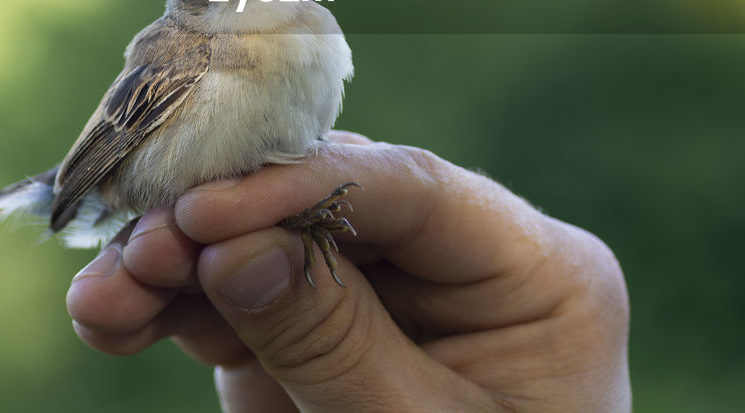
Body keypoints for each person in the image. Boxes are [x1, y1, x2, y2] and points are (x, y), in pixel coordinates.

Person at [66, 132, 632, 411]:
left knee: (231, 223)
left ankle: (298, 223)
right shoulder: (188, 45)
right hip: (163, 192)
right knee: (224, 229)